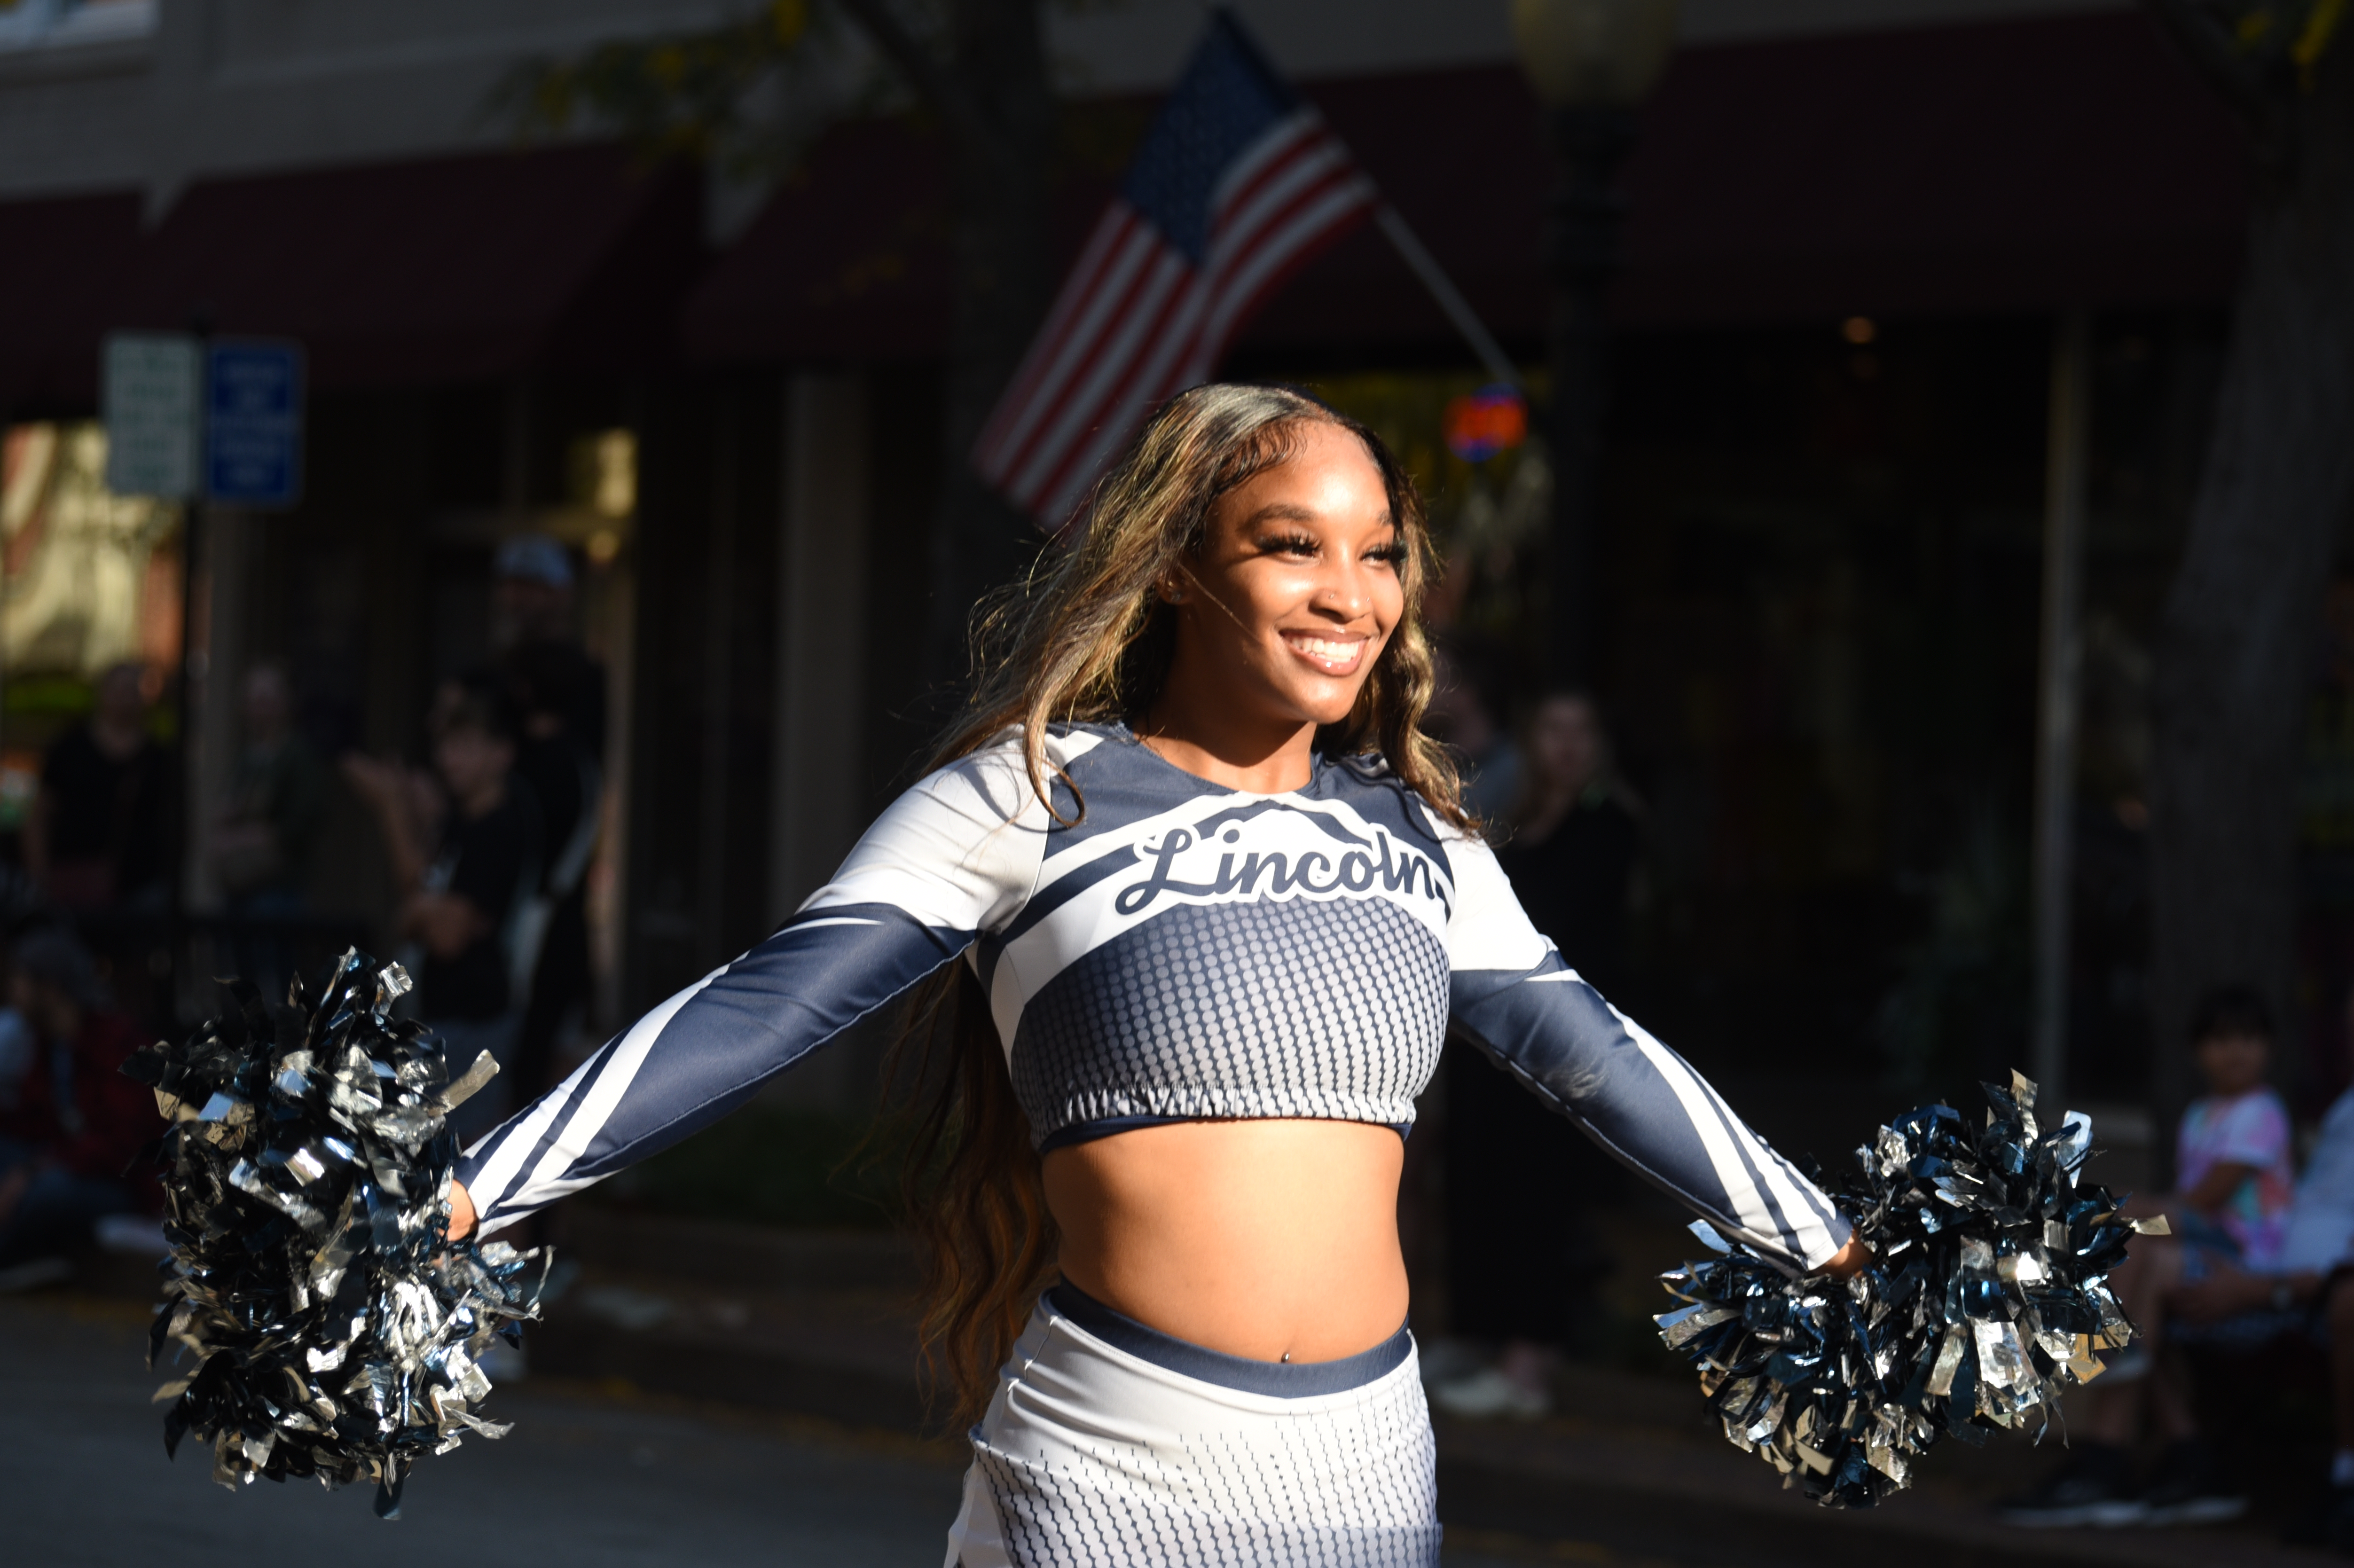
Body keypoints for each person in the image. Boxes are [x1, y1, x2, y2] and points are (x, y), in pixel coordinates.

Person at [442, 384, 1861, 1564]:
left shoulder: (1420, 828)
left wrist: (1830, 1236)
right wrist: (465, 1193)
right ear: (1182, 562)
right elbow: (763, 1007)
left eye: (1377, 553)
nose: (1345, 593)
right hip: (1118, 1456)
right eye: (1289, 545)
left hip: (1370, 1464)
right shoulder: (1030, 796)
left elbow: (1594, 1054)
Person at [2001, 984, 2297, 1526]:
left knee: (2130, 1232)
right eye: (2221, 1040)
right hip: (2195, 1245)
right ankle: (2185, 1457)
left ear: (2270, 1048)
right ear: (2197, 1051)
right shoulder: (2199, 1115)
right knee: (2140, 1273)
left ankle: (2101, 1385)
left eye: (2249, 1039)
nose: (2236, 1052)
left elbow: (2209, 1199)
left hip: (2242, 1256)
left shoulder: (2262, 1112)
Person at [1436, 691, 1642, 1419]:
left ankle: (1529, 1360)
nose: (1567, 745)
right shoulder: (1514, 820)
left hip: (1565, 1034)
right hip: (1492, 1030)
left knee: (1539, 1192)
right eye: (1553, 729)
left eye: (1581, 730)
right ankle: (1485, 1333)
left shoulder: (1608, 823)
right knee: (1481, 1176)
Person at [343, 675, 542, 1140]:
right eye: (447, 745)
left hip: (478, 1021)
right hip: (444, 1017)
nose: (450, 759)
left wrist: (419, 914)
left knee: (459, 1160)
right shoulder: (463, 821)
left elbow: (447, 933)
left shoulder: (501, 827)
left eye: (467, 746)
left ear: (502, 752)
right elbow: (423, 891)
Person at [0, 928, 155, 1274]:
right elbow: (34, 1121)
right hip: (64, 1160)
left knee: (46, 1194)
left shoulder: (115, 1043)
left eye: (21, 981)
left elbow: (123, 1145)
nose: (13, 992)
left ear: (50, 990)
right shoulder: (49, 1045)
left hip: (119, 1181)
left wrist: (35, 1169)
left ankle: (14, 1258)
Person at [210, 663, 327, 1000]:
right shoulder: (247, 757)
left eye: (268, 697)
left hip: (278, 889)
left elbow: (303, 821)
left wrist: (254, 835)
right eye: (252, 698)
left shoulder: (297, 756)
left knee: (277, 978)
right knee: (240, 979)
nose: (259, 707)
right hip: (238, 886)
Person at [27, 662, 171, 913]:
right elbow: (39, 814)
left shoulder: (157, 758)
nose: (124, 700)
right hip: (71, 883)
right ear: (103, 694)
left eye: (132, 692)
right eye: (118, 690)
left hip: (140, 889)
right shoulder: (71, 748)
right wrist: (41, 876)